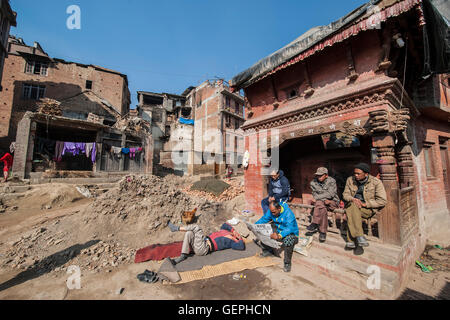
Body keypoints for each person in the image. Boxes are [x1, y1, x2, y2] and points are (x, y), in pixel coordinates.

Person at [342, 163, 387, 252]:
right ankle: (359, 236)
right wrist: (352, 199)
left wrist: (365, 204)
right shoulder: (350, 180)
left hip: (367, 209)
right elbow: (345, 194)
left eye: (358, 174)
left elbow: (382, 201)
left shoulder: (376, 182)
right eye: (355, 173)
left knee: (350, 211)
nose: (356, 175)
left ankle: (351, 240)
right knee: (352, 207)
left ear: (366, 174)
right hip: (353, 205)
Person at [167, 221, 245, 265]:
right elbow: (225, 224)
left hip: (204, 248)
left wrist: (239, 238)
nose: (236, 235)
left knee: (197, 228)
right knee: (189, 233)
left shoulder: (231, 241)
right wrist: (233, 230)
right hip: (200, 243)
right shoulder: (224, 230)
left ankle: (176, 228)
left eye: (237, 236)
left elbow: (241, 246)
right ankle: (183, 256)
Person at [255, 201, 299, 272]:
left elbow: (289, 228)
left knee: (288, 240)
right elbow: (264, 219)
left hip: (291, 233)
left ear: (279, 209)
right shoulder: (272, 211)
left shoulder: (288, 214)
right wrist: (255, 226)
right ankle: (268, 251)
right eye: (271, 212)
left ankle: (287, 263)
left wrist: (279, 235)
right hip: (278, 229)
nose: (272, 214)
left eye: (274, 212)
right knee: (264, 229)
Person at [307, 167, 340, 242]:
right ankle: (323, 232)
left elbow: (330, 194)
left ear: (326, 175)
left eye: (321, 175)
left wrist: (323, 199)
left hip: (333, 202)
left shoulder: (332, 181)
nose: (319, 177)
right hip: (321, 204)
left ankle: (315, 223)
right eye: (317, 175)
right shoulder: (313, 183)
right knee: (322, 208)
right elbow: (314, 195)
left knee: (319, 204)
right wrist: (323, 199)